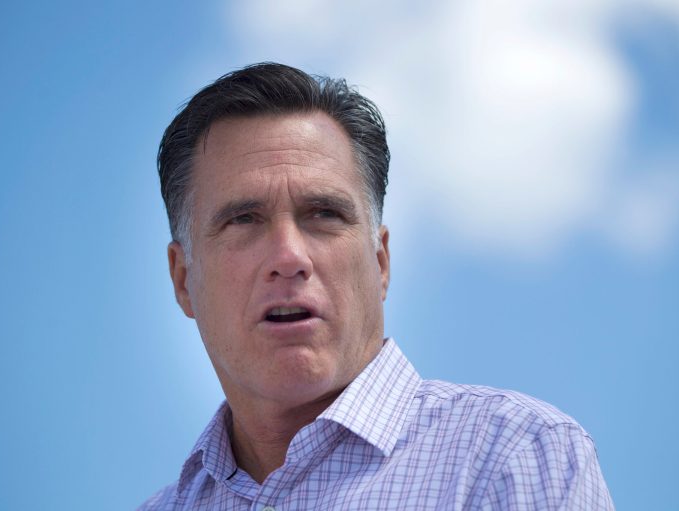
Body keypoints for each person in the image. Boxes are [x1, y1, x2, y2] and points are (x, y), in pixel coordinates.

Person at [139, 62, 614, 510]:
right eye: (244, 219)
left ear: (380, 261)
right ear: (183, 280)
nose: (289, 257)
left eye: (324, 214)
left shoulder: (516, 458)